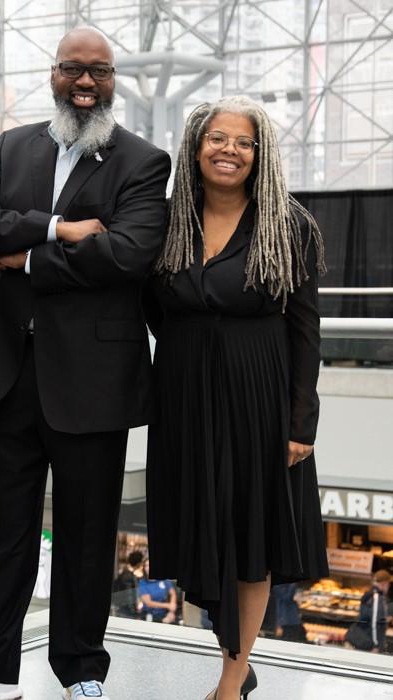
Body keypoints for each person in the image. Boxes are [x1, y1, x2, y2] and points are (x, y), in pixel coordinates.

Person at [0, 26, 170, 700]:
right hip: (8, 375)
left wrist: (26, 255)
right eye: (73, 68)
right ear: (53, 73)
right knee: (6, 538)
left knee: (87, 535)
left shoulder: (144, 160)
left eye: (98, 71)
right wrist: (59, 230)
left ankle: (81, 668)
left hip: (94, 385)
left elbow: (127, 253)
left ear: (113, 81)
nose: (85, 82)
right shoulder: (16, 144)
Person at [144, 95, 329, 700]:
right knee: (203, 530)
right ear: (195, 147)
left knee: (250, 536)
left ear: (261, 153)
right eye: (218, 138)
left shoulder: (288, 225)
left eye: (244, 142)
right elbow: (150, 309)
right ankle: (235, 657)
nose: (230, 150)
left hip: (260, 401)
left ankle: (231, 679)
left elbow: (305, 331)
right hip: (186, 401)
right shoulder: (167, 220)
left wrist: (301, 423)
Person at [346, 569, 391, 653]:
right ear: (385, 583)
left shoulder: (369, 594)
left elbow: (366, 617)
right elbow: (375, 623)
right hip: (368, 642)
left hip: (361, 638)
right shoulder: (377, 597)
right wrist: (376, 645)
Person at [138, 559, 177, 623]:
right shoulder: (142, 583)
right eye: (146, 565)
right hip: (149, 616)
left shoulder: (163, 579)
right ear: (144, 568)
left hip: (164, 614)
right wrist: (168, 605)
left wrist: (171, 612)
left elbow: (172, 593)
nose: (148, 568)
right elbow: (148, 603)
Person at [112, 550, 145, 619]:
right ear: (138, 563)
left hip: (124, 610)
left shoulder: (127, 573)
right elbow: (128, 597)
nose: (142, 563)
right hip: (126, 613)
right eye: (141, 561)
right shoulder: (128, 576)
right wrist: (134, 613)